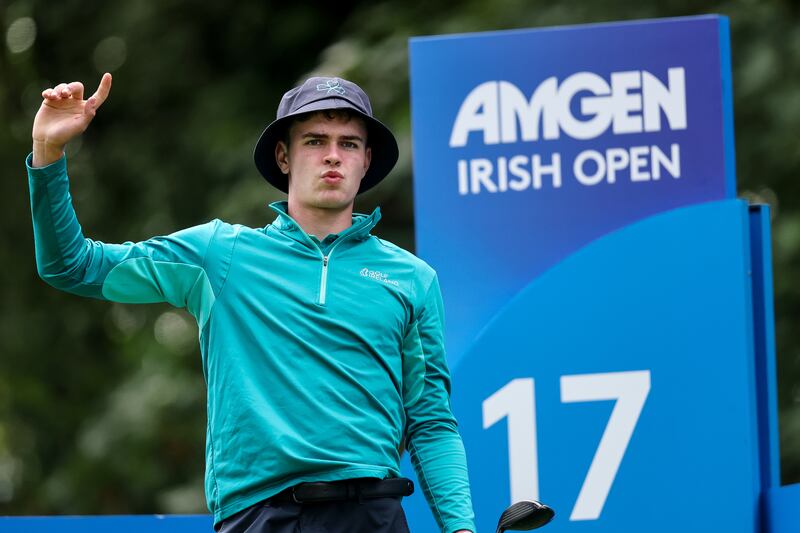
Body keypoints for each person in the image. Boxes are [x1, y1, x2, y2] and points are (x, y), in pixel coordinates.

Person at [26, 73, 476, 533]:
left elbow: (431, 421)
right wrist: (49, 152)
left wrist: (461, 528)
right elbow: (71, 265)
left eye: (350, 143)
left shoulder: (412, 278)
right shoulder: (220, 254)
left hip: (373, 513)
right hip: (262, 517)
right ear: (284, 156)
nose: (333, 155)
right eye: (315, 140)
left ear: (367, 160)